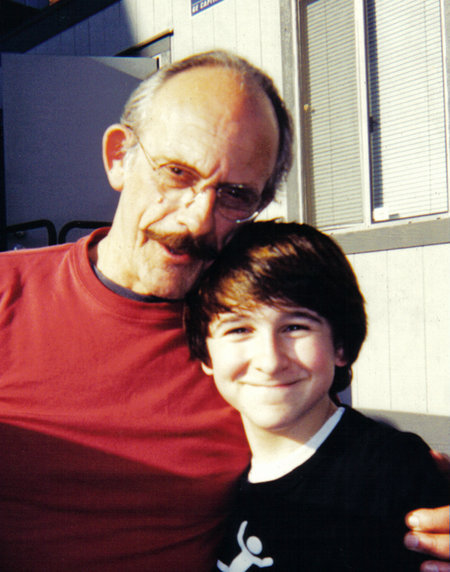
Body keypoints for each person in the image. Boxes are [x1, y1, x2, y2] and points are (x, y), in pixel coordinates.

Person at [0, 49, 447, 570]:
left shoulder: (255, 341)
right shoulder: (8, 293)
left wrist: (425, 505)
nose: (196, 219)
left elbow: (350, 469)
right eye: (177, 172)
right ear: (119, 156)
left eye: (235, 194)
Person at [184, 219, 449, 571]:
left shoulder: (389, 471)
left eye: (295, 327)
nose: (270, 361)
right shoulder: (223, 486)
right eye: (239, 329)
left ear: (340, 345)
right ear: (206, 355)